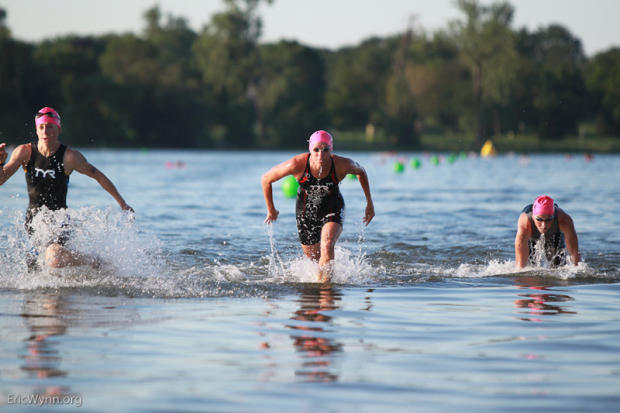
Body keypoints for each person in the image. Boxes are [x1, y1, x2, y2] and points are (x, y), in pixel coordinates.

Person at [0, 107, 133, 269]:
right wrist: (0, 163)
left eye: (50, 126)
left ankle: (94, 261)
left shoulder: (69, 157)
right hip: (33, 221)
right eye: (41, 127)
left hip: (59, 220)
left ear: (58, 129)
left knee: (54, 259)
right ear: (36, 130)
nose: (45, 131)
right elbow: (1, 179)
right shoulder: (24, 152)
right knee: (37, 269)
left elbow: (98, 176)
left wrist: (122, 203)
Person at [261, 130, 375, 282]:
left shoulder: (342, 165)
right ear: (310, 150)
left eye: (325, 150)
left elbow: (361, 172)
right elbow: (266, 179)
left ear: (331, 150)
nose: (320, 155)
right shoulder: (297, 164)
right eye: (316, 150)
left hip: (333, 206)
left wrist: (369, 203)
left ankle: (326, 291)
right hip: (305, 210)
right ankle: (320, 287)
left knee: (327, 245)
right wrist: (271, 209)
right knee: (314, 259)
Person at [514, 195, 579, 268]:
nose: (544, 225)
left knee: (558, 266)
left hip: (554, 235)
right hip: (531, 237)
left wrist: (577, 268)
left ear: (553, 216)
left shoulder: (564, 220)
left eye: (548, 220)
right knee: (529, 266)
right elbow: (520, 267)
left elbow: (574, 254)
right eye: (539, 219)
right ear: (533, 216)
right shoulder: (525, 222)